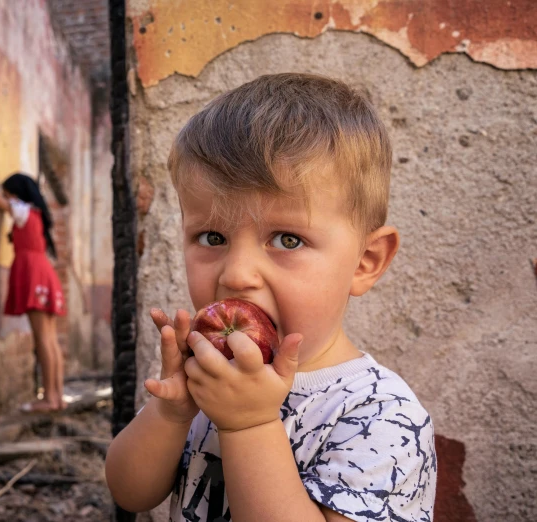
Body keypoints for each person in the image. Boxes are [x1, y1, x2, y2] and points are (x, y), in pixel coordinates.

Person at [105, 74, 437, 521]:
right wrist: (170, 414)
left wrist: (250, 424)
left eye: (287, 240)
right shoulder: (210, 377)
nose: (237, 274)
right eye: (212, 235)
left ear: (365, 261)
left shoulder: (380, 416)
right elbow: (130, 492)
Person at [0, 173, 66, 413]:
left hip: (33, 274)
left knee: (42, 339)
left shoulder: (21, 210)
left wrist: (2, 195)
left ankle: (49, 398)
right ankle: (57, 397)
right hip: (44, 272)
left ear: (15, 193)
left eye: (8, 192)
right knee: (50, 340)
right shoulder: (36, 215)